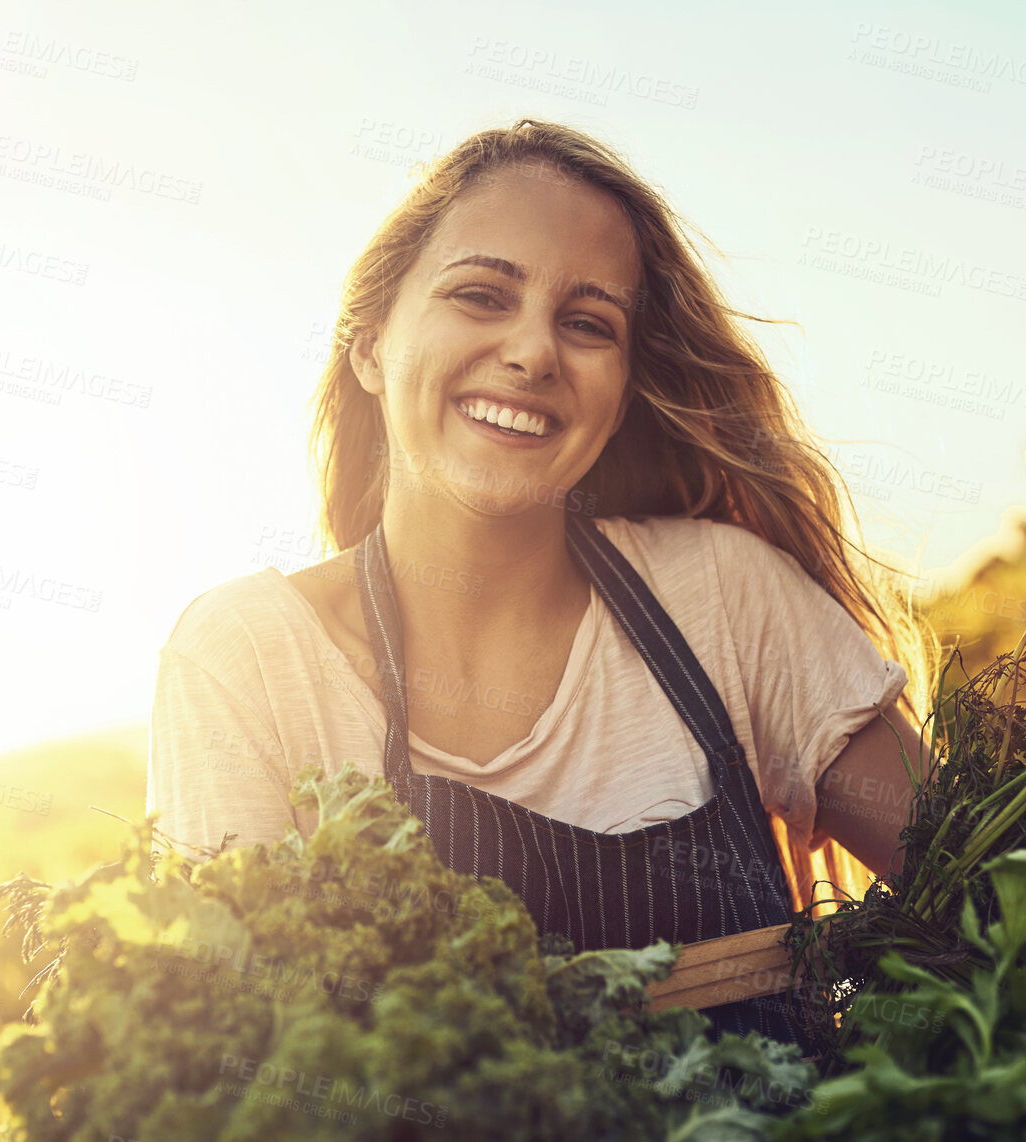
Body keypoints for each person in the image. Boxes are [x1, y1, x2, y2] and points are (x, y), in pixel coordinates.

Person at [146, 119, 938, 1042]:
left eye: (588, 322)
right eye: (481, 295)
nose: (533, 352)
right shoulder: (248, 661)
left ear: (623, 386)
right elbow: (233, 1063)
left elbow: (1004, 908)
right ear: (370, 347)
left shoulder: (724, 597)